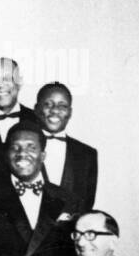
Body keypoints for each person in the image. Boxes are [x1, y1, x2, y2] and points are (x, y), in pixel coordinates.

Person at [0, 123, 76, 256]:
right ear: (7, 155)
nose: (22, 154)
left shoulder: (67, 199)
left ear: (43, 155)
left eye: (31, 147)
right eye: (15, 148)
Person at [35, 81, 98, 215]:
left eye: (62, 106)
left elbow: (86, 204)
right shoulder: (21, 149)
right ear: (36, 109)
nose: (55, 110)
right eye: (48, 104)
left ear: (70, 112)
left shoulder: (87, 154)